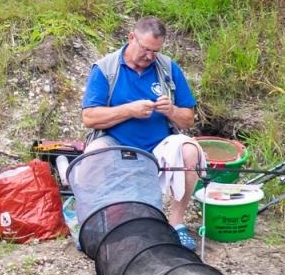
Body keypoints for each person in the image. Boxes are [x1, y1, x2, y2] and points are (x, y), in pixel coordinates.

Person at [80, 16, 203, 250]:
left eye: (155, 51)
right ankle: (93, 222)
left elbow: (188, 118)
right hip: (115, 143)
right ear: (131, 38)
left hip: (160, 144)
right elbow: (89, 117)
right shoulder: (106, 69)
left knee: (189, 150)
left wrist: (172, 110)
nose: (149, 56)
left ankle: (176, 224)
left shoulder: (167, 68)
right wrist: (128, 111)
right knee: (92, 154)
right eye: (145, 49)